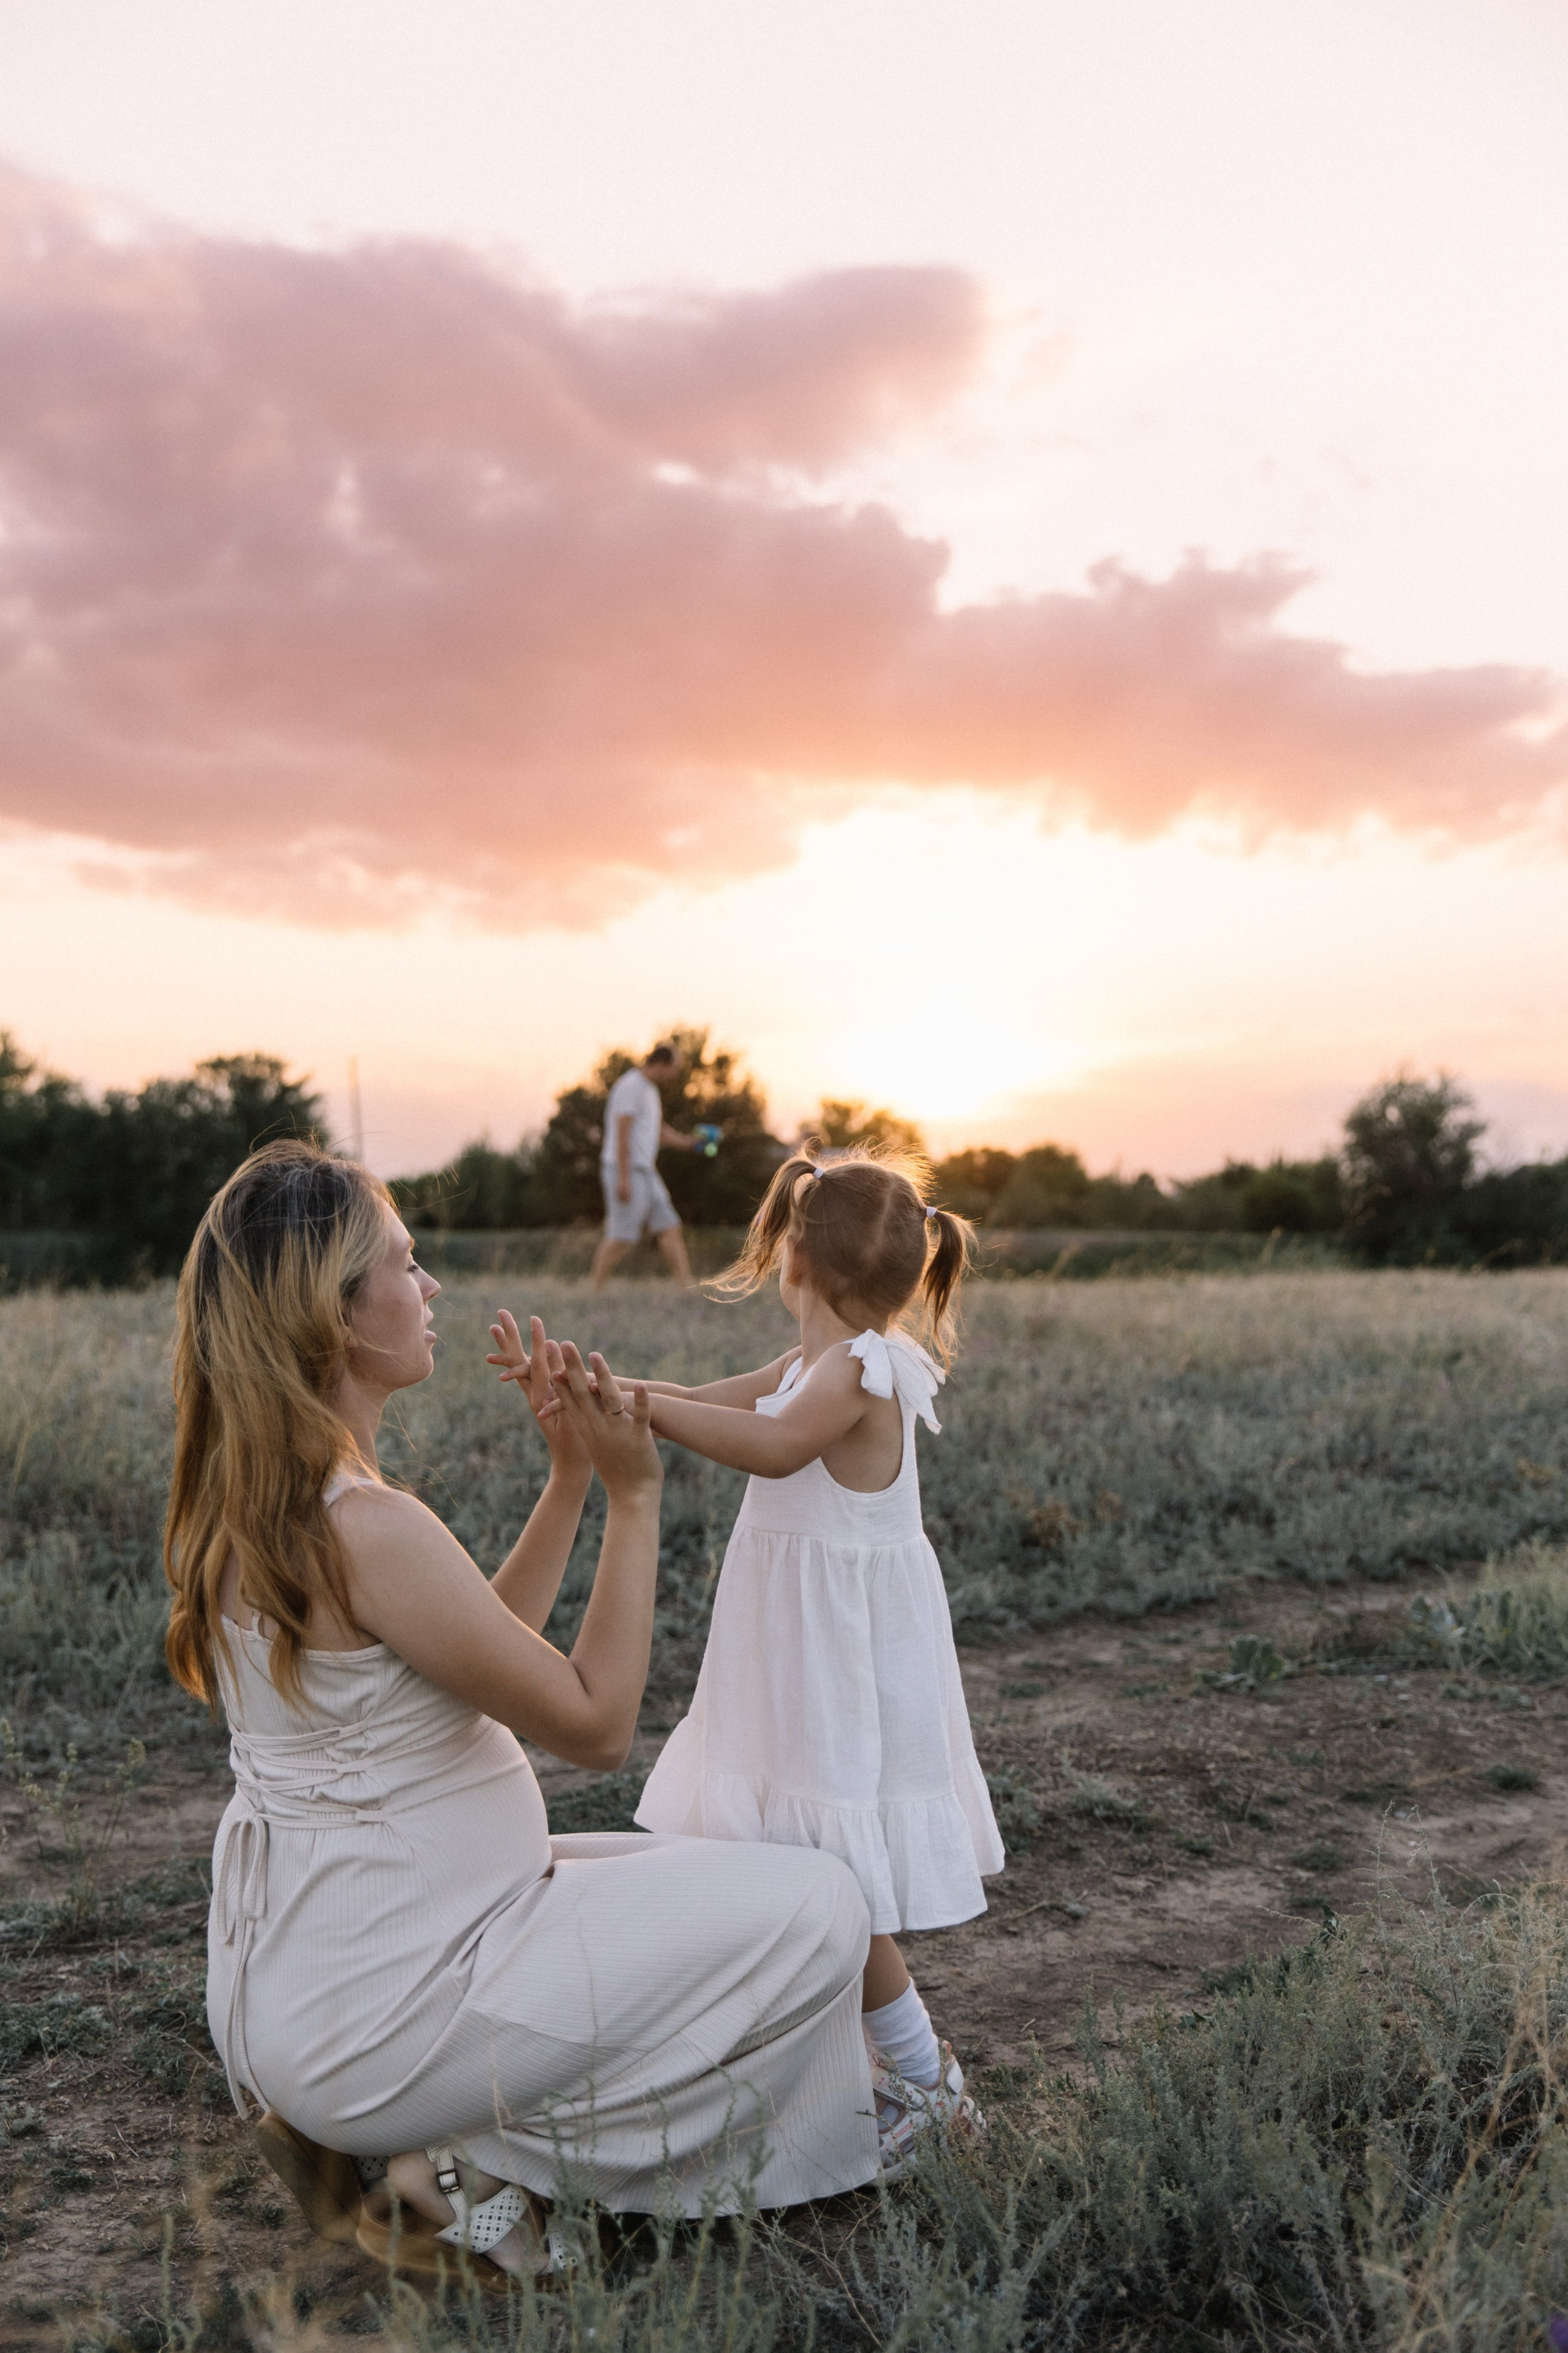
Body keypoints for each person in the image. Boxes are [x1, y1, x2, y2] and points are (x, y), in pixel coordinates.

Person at [164, 1141, 881, 2292]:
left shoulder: (266, 1500)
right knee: (825, 1908)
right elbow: (594, 1724)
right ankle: (463, 2162)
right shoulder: (367, 1523)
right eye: (404, 1262)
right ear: (338, 1315)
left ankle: (414, 2142)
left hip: (327, 1984)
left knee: (731, 1867)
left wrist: (566, 1480)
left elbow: (470, 1656)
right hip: (396, 2002)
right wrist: (635, 1497)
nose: (432, 1285)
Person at [595, 1149, 1005, 2174]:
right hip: (793, 1648)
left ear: (794, 1263)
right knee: (792, 1858)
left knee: (835, 1871)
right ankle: (848, 2063)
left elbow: (772, 1450)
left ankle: (926, 2081)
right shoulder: (803, 1367)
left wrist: (641, 1415)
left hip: (839, 1661)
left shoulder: (862, 1371)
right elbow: (707, 1399)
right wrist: (603, 1385)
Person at [590, 1043, 698, 1291]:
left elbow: (659, 1132)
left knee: (670, 1226)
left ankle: (686, 1287)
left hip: (647, 1171)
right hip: (624, 1169)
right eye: (675, 1068)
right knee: (621, 1237)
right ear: (661, 1064)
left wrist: (690, 1144)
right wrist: (623, 1178)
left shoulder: (651, 1091)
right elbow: (622, 1131)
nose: (676, 1074)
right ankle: (596, 1290)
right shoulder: (630, 1086)